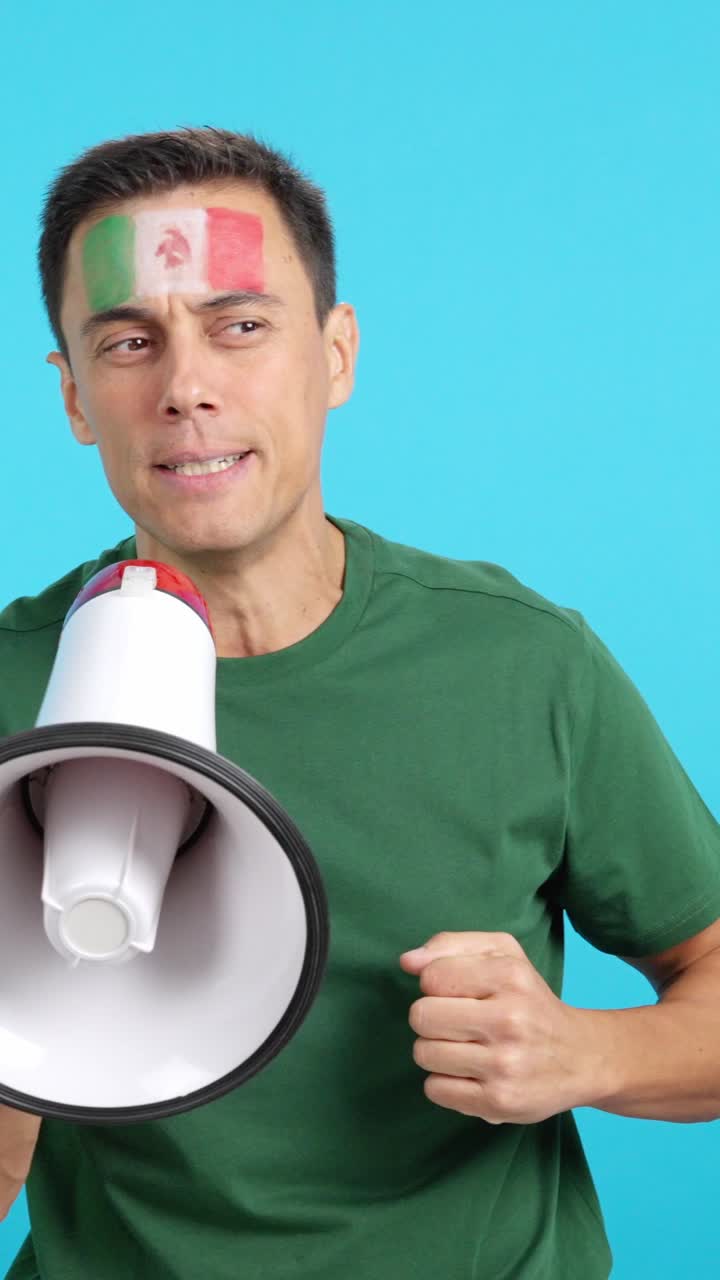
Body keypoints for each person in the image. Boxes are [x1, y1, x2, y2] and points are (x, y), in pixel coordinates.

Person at [1, 126, 719, 1280]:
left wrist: (587, 1052)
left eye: (240, 325)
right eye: (128, 340)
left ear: (335, 353)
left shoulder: (519, 661)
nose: (185, 388)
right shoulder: (8, 686)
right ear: (75, 395)